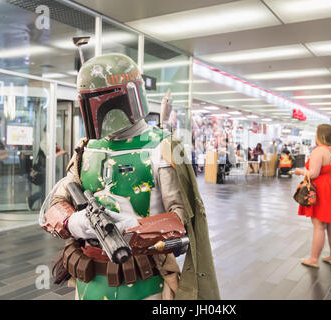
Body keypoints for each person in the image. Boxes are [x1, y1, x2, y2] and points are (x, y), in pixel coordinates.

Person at [39, 53, 219, 300]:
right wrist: (73, 222)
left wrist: (132, 229)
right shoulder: (86, 147)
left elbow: (182, 222)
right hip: (89, 277)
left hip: (145, 280)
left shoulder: (163, 147)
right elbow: (57, 201)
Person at [294, 124, 331, 268]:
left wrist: (300, 171)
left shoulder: (319, 151)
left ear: (319, 135)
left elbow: (313, 174)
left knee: (318, 225)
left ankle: (313, 259)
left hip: (322, 189)